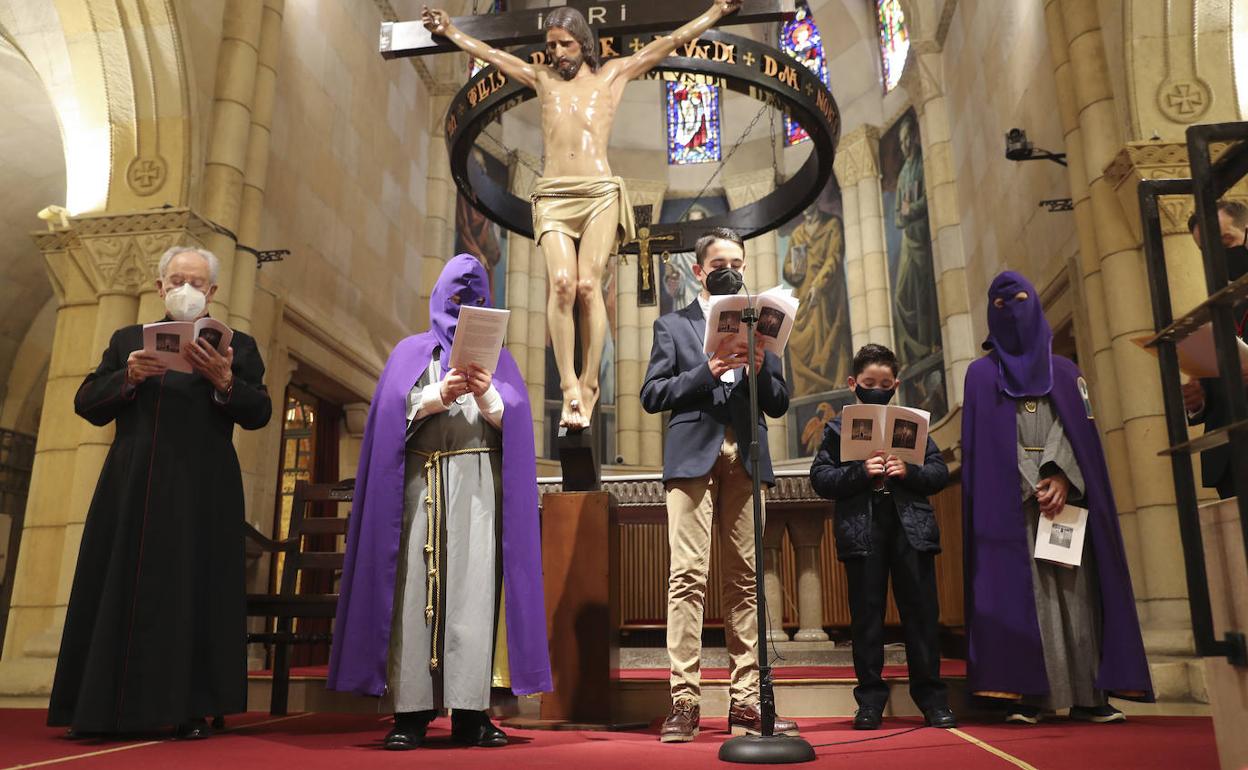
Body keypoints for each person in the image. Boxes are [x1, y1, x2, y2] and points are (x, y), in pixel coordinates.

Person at [422, 0, 742, 429]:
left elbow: (669, 43)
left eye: (565, 44)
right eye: (552, 45)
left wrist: (717, 11)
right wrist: (451, 32)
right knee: (560, 283)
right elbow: (493, 56)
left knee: (589, 287)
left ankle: (590, 384)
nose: (557, 53)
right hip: (553, 193)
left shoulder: (612, 75)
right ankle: (569, 385)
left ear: (584, 44)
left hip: (598, 191)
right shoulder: (542, 78)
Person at [327, 254, 551, 750]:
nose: (463, 310)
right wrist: (436, 395)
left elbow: (515, 425)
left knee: (474, 597)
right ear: (436, 298)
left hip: (477, 488)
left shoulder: (502, 358)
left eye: (475, 302)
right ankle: (411, 713)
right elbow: (389, 417)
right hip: (419, 486)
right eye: (456, 300)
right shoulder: (411, 352)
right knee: (413, 594)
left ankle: (472, 713)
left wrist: (490, 395)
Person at [48, 246, 272, 739]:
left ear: (212, 292)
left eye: (195, 282)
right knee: (119, 586)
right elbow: (87, 401)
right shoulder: (128, 340)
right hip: (132, 485)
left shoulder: (239, 346)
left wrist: (225, 379)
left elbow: (258, 413)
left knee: (193, 590)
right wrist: (128, 376)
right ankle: (104, 705)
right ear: (159, 286)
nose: (184, 290)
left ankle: (190, 705)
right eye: (176, 280)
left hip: (202, 489)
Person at [962, 271, 1153, 724]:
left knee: (1076, 595)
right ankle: (1031, 696)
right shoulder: (980, 374)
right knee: (1026, 596)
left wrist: (1060, 475)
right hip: (1012, 506)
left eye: (1022, 299)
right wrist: (1031, 480)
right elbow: (985, 445)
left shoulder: (1067, 372)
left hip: (1066, 498)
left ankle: (1089, 694)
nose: (1013, 310)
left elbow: (1078, 431)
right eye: (1001, 303)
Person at [640, 228, 798, 742]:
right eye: (720, 261)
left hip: (746, 455)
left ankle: (747, 701)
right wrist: (706, 372)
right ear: (700, 270)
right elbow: (653, 393)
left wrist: (757, 369)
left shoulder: (763, 323)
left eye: (738, 261)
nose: (730, 268)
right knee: (686, 576)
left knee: (745, 580)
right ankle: (684, 701)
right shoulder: (673, 324)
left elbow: (778, 401)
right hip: (693, 455)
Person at [809, 344, 955, 731]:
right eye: (870, 383)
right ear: (853, 384)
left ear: (896, 385)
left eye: (885, 383)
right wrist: (861, 471)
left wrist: (910, 471)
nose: (878, 388)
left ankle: (932, 701)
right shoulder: (838, 428)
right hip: (863, 531)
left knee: (922, 618)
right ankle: (870, 702)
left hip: (912, 530)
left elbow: (940, 472)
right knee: (867, 621)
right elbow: (821, 479)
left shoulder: (911, 423)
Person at [1181, 201, 1248, 501]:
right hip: (1231, 458)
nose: (1218, 256)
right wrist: (1198, 400)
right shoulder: (1216, 308)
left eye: (1225, 241)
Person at [891, 114, 940, 364]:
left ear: (916, 136)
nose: (905, 144)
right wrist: (905, 213)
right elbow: (898, 216)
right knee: (901, 295)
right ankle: (915, 351)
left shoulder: (924, 163)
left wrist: (914, 209)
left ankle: (930, 344)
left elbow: (933, 194)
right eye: (902, 141)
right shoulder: (902, 174)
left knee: (924, 294)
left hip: (924, 239)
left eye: (908, 138)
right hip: (909, 242)